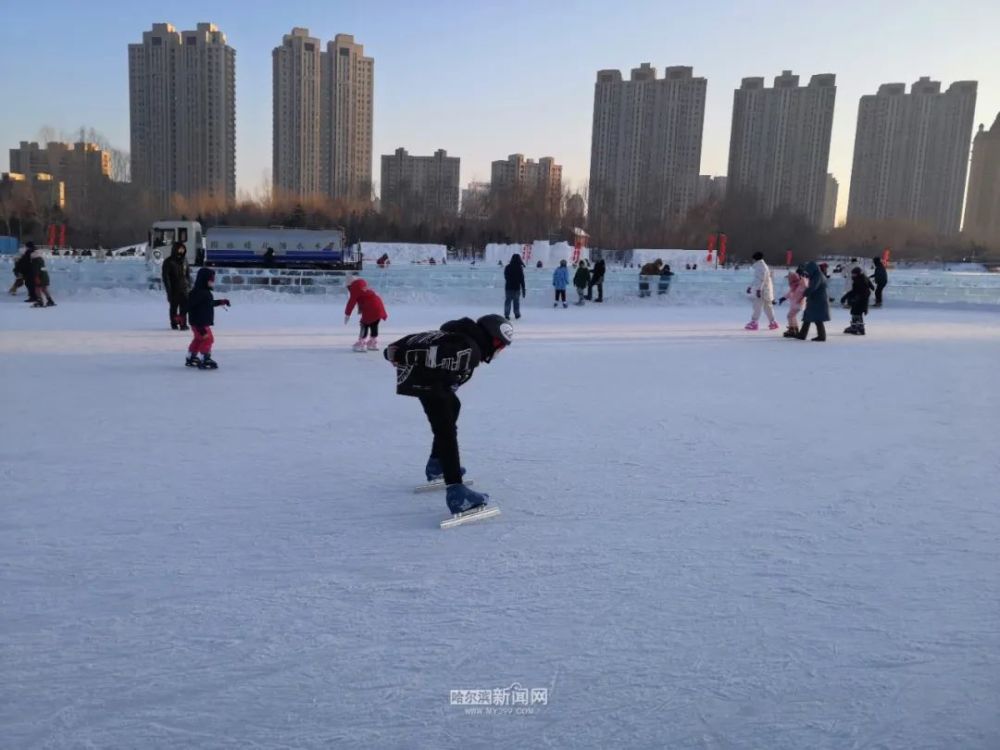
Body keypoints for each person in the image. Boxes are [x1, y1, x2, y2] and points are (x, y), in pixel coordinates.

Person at [383, 314, 513, 514]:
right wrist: (399, 354)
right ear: (493, 338)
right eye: (500, 345)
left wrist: (396, 352)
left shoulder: (459, 337)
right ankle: (456, 491)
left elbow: (421, 343)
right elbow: (426, 352)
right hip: (429, 383)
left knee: (454, 407)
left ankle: (437, 464)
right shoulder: (468, 348)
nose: (499, 351)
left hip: (432, 382)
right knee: (446, 431)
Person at [185, 268, 230, 369]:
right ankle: (205, 358)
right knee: (208, 339)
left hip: (198, 323)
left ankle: (191, 357)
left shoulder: (203, 292)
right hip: (200, 324)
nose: (212, 283)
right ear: (204, 280)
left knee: (198, 339)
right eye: (211, 280)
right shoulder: (199, 293)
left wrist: (221, 302)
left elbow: (209, 303)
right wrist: (180, 315)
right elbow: (188, 305)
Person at [344, 277, 388, 352]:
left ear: (350, 285)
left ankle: (361, 343)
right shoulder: (363, 286)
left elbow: (351, 302)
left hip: (370, 307)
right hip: (378, 306)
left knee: (364, 324)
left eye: (348, 287)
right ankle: (373, 342)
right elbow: (362, 299)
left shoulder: (354, 289)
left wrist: (347, 314)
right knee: (374, 323)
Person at [744, 251, 778, 330]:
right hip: (765, 290)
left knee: (757, 306)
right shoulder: (761, 266)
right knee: (767, 307)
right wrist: (750, 286)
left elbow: (762, 280)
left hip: (762, 290)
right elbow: (757, 279)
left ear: (755, 259)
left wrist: (759, 290)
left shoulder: (761, 267)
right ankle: (773, 322)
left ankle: (754, 322)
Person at [797, 261, 830, 342]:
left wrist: (804, 293)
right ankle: (802, 334)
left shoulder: (817, 276)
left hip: (818, 300)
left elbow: (813, 287)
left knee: (817, 318)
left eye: (808, 271)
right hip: (815, 299)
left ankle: (821, 336)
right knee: (808, 317)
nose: (807, 273)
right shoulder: (817, 275)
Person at [162, 242, 191, 330]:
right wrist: (169, 291)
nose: (181, 250)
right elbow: (166, 277)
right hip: (174, 289)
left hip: (184, 288)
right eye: (180, 248)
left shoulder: (185, 260)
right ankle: (174, 323)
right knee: (174, 308)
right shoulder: (169, 261)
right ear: (175, 249)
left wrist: (189, 286)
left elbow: (188, 275)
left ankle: (183, 324)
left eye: (183, 249)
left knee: (184, 308)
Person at [841, 267, 873, 335]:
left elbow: (861, 292)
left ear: (858, 274)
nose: (853, 276)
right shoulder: (861, 279)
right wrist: (846, 296)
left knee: (857, 312)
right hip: (860, 299)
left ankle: (860, 328)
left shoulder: (861, 281)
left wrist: (854, 298)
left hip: (861, 300)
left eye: (854, 274)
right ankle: (854, 326)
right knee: (855, 312)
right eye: (852, 274)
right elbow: (870, 286)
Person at [777, 268, 807, 338]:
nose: (789, 282)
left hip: (798, 304)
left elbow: (804, 292)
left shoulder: (801, 285)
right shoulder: (794, 286)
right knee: (792, 316)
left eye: (790, 280)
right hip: (795, 304)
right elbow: (789, 293)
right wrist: (783, 298)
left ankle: (792, 330)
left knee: (790, 316)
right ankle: (795, 329)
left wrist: (801, 299)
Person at [503, 253, 526, 320]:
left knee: (508, 301)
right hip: (517, 288)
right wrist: (523, 289)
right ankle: (517, 314)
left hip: (508, 287)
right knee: (516, 302)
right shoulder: (519, 268)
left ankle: (507, 314)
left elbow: (506, 277)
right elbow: (522, 279)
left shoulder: (507, 267)